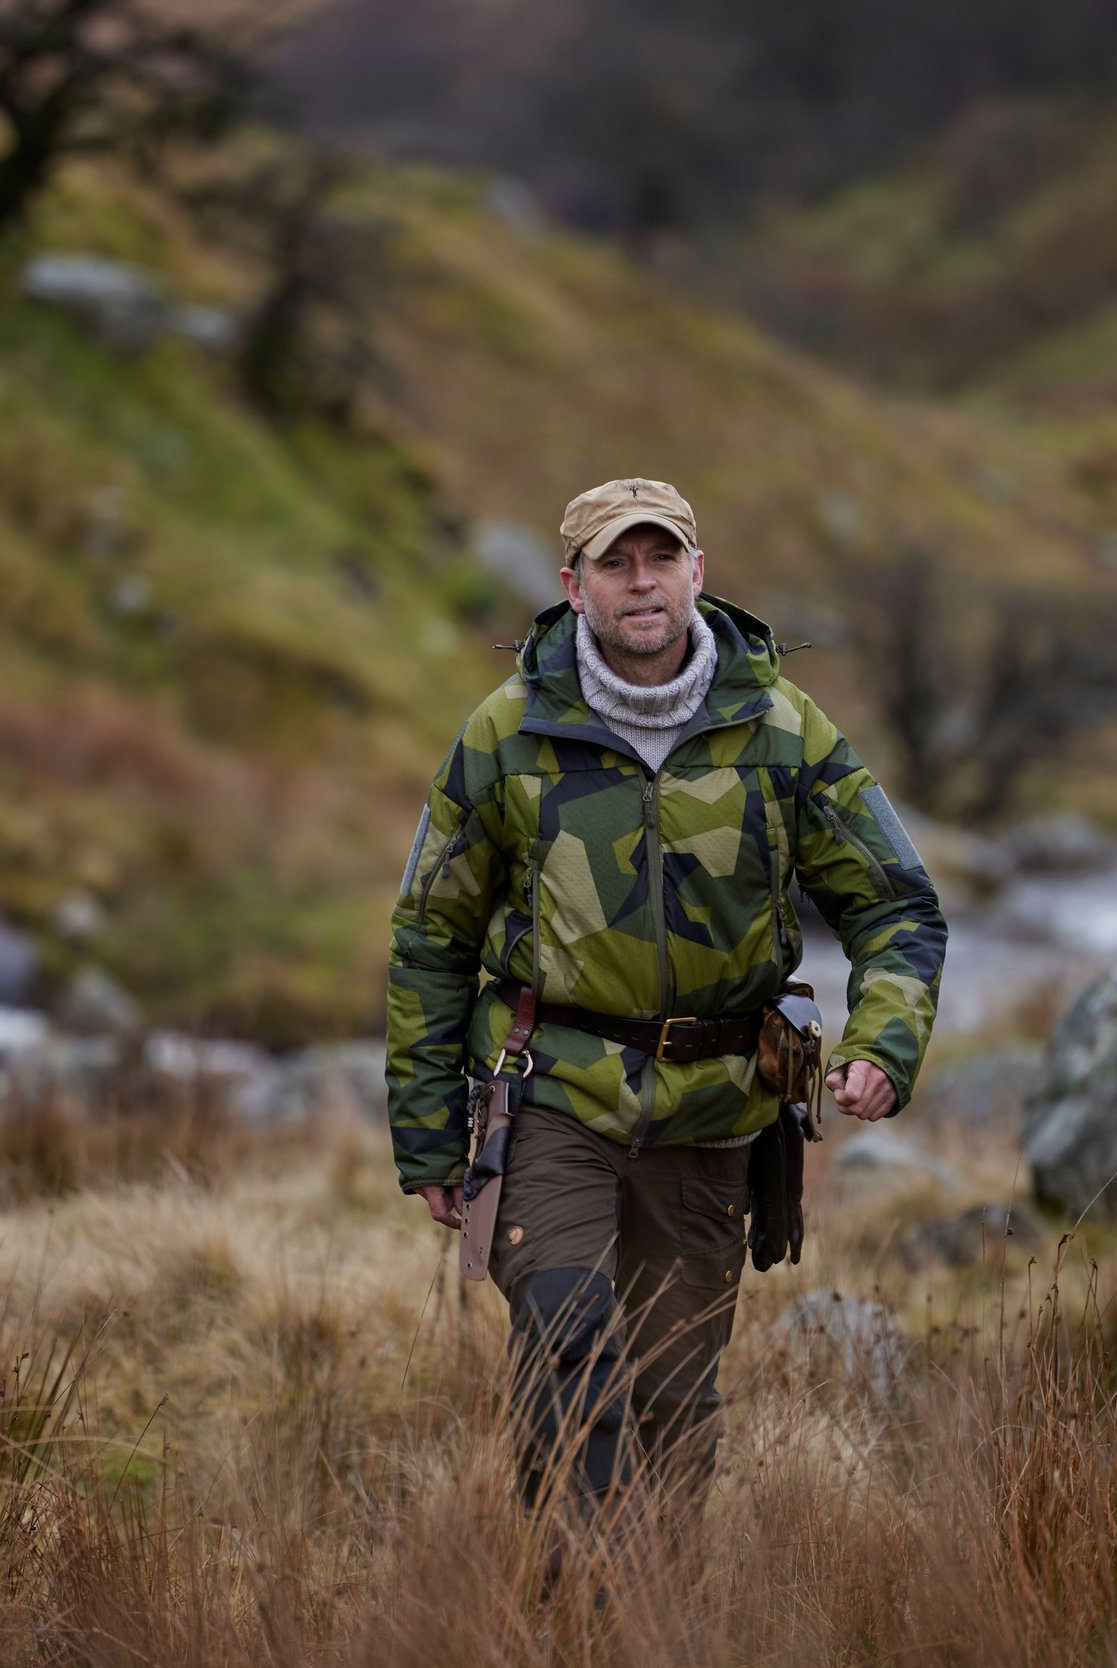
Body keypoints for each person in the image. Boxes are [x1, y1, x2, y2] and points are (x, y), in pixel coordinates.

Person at [384, 476, 946, 1521]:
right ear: (573, 585)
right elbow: (430, 937)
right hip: (553, 1091)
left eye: (660, 558)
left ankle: (655, 1617)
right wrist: (425, 1134)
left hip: (716, 1106)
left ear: (698, 570)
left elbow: (897, 909)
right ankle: (581, 1614)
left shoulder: (784, 730)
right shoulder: (507, 732)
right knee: (564, 1340)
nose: (640, 583)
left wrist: (884, 1042)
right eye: (615, 563)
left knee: (672, 1394)